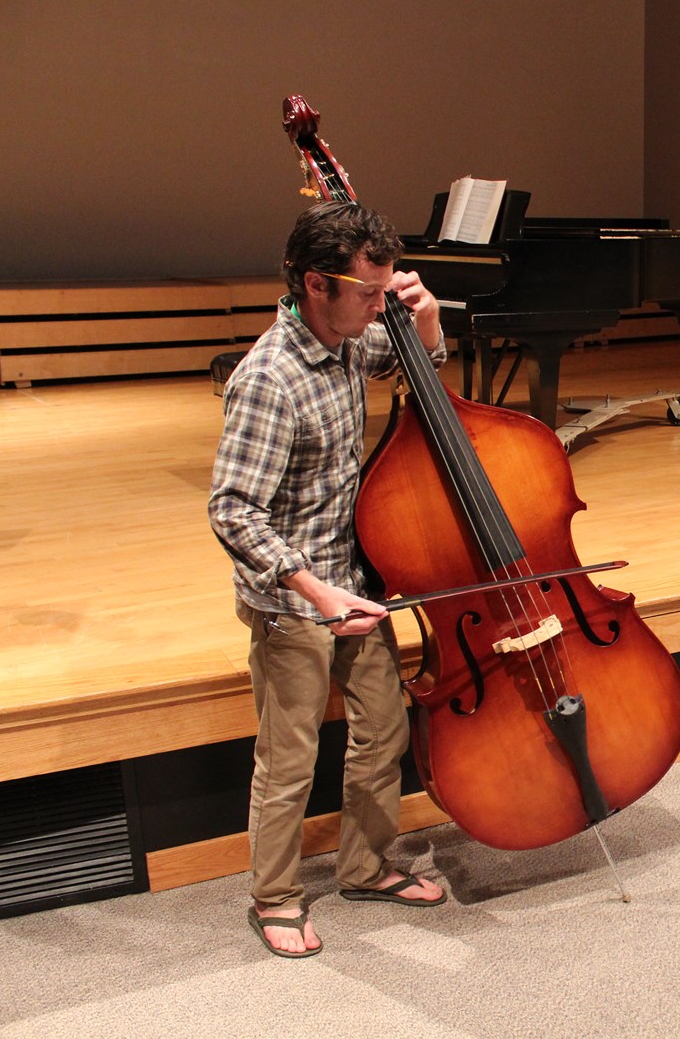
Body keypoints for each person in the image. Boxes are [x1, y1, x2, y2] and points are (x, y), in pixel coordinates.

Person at [208, 201, 451, 957]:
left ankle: (365, 868)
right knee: (289, 762)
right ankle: (274, 898)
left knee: (385, 730)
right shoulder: (269, 379)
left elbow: (410, 359)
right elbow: (232, 511)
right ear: (316, 283)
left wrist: (426, 318)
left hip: (355, 582)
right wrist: (314, 591)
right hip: (294, 602)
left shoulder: (345, 338)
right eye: (369, 293)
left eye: (386, 292)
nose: (381, 307)